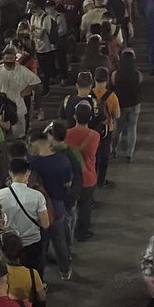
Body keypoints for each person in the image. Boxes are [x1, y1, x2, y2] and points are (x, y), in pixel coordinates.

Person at [27, 130, 73, 280]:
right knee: (59, 238)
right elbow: (68, 183)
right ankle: (65, 270)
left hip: (39, 206)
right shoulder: (63, 160)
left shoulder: (33, 164)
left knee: (42, 241)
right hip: (58, 203)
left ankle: (40, 276)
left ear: (34, 144)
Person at [0, 158, 49, 271]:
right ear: (28, 173)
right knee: (34, 272)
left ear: (10, 172)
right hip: (32, 243)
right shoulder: (37, 196)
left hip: (9, 244)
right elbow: (45, 224)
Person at [64, 103, 99, 243]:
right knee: (85, 206)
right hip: (89, 176)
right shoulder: (95, 135)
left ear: (74, 116)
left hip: (71, 178)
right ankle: (82, 232)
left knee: (69, 208)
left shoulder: (66, 134)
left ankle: (68, 234)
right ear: (90, 118)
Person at [0, 46, 39, 137]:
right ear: (3, 58)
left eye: (11, 58)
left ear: (15, 58)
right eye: (7, 58)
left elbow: (35, 80)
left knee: (19, 123)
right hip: (2, 101)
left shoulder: (21, 70)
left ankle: (20, 138)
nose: (9, 60)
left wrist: (26, 90)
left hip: (17, 100)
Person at [111, 48, 141, 163]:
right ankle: (130, 154)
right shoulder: (138, 74)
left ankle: (113, 150)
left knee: (117, 129)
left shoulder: (116, 75)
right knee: (132, 129)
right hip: (135, 104)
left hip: (121, 105)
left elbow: (113, 85)